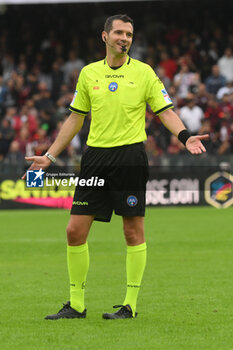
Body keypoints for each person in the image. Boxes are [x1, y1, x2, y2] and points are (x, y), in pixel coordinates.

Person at [22, 14, 208, 320]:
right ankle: (77, 305)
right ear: (105, 36)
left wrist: (185, 136)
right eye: (119, 32)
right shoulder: (88, 73)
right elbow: (75, 118)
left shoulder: (145, 73)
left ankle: (130, 305)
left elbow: (166, 111)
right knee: (74, 231)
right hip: (94, 160)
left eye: (129, 34)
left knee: (133, 232)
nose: (125, 38)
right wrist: (50, 156)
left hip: (130, 159)